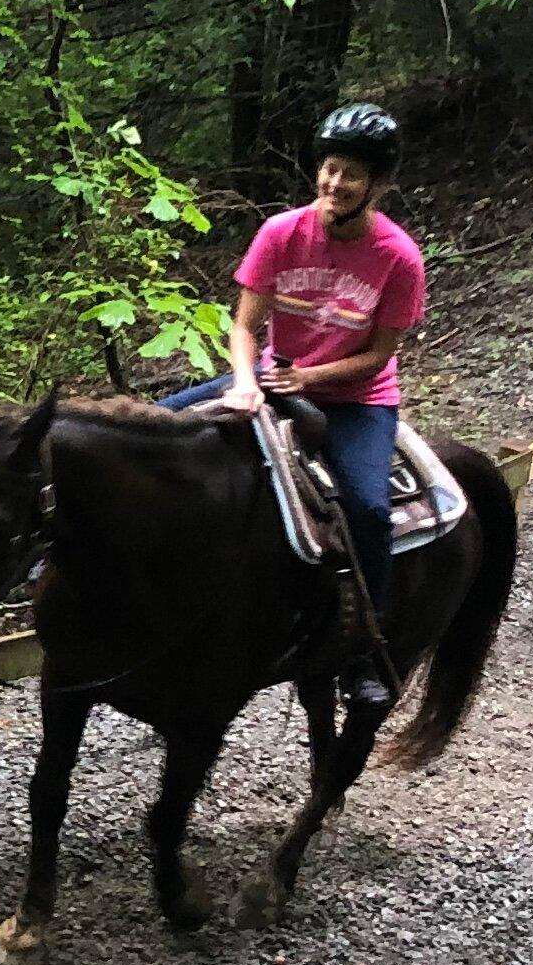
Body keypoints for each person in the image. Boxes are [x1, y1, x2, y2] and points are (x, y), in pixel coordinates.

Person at [163, 103, 427, 710]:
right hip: (273, 377)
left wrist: (308, 377)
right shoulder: (281, 233)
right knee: (156, 424)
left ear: (379, 185)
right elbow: (244, 325)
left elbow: (379, 355)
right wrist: (244, 382)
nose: (335, 184)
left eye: (352, 174)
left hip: (355, 399)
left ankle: (365, 646)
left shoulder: (398, 258)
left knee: (365, 504)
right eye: (330, 169)